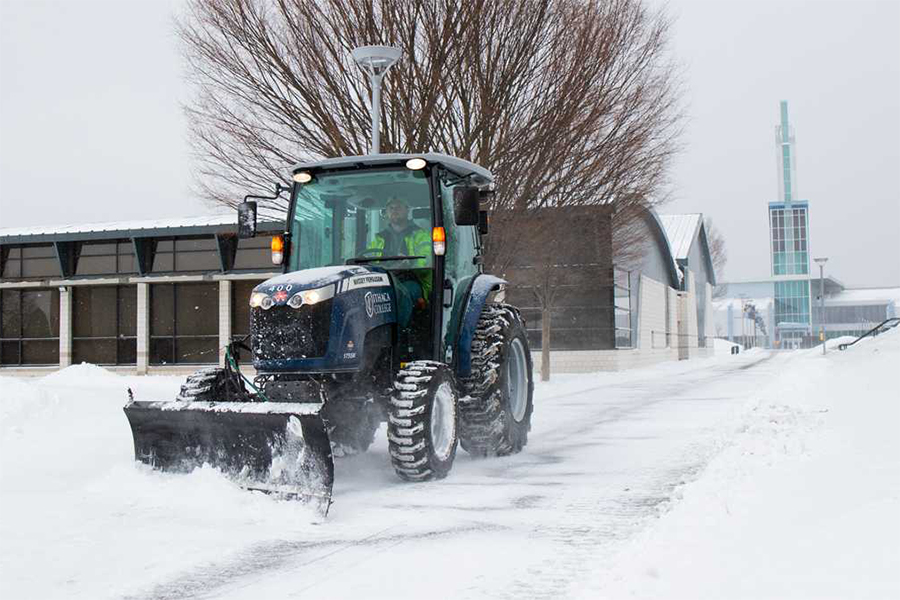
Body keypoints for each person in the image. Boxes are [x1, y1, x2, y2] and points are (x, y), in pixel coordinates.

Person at [368, 196, 432, 328]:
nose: (394, 210)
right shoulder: (379, 239)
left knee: (400, 293)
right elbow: (369, 260)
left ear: (407, 210)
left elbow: (427, 262)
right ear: (386, 212)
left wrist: (411, 263)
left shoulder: (420, 235)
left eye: (398, 207)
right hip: (384, 281)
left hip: (414, 280)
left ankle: (398, 333)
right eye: (391, 208)